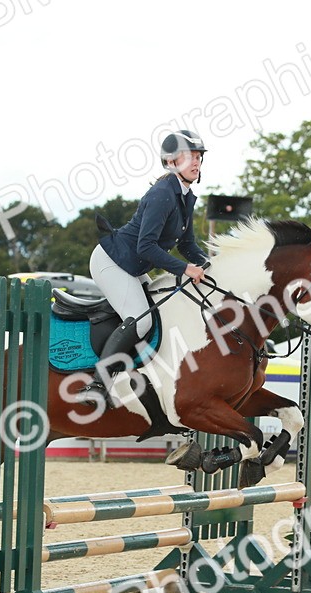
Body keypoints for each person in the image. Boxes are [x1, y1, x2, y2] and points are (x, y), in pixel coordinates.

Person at [79, 130, 210, 405]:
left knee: (161, 312)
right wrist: (185, 269)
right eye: (189, 157)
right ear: (172, 162)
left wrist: (210, 266)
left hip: (133, 264)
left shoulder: (186, 196)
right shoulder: (162, 194)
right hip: (112, 262)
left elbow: (187, 244)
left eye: (198, 157)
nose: (196, 163)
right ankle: (97, 383)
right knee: (141, 319)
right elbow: (146, 247)